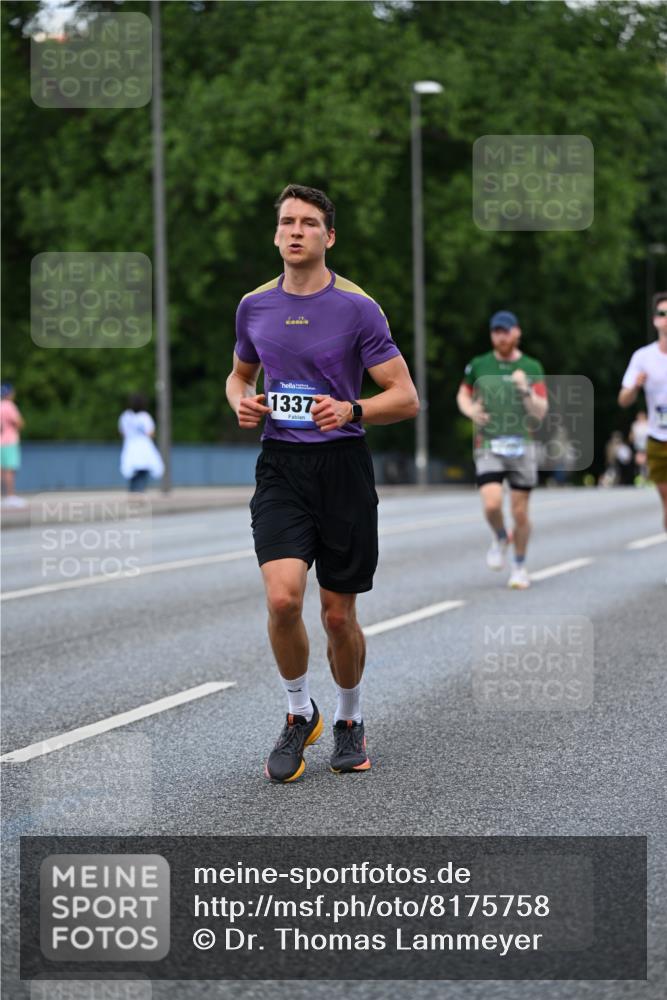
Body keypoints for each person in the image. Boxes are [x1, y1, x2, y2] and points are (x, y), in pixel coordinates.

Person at [226, 184, 419, 783]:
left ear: (328, 236)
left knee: (338, 615)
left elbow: (406, 398)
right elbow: (239, 376)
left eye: (309, 223)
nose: (295, 231)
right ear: (276, 233)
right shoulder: (254, 306)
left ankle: (348, 718)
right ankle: (296, 711)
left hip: (342, 469)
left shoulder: (358, 308)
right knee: (283, 597)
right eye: (287, 221)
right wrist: (242, 403)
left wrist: (353, 409)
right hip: (282, 465)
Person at [456, 311, 548, 589]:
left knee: (520, 512)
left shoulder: (531, 366)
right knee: (492, 503)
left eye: (506, 331)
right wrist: (471, 409)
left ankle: (519, 566)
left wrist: (525, 390)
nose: (501, 336)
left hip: (522, 445)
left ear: (517, 332)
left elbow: (541, 411)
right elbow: (462, 394)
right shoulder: (479, 364)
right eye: (496, 331)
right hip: (489, 445)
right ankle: (499, 536)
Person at [619, 291, 667, 533]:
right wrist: (636, 385)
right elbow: (623, 399)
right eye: (662, 313)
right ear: (655, 320)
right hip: (657, 437)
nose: (666, 318)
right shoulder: (643, 357)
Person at [118, 393, 164, 492]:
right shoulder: (145, 417)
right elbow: (150, 433)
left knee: (132, 472)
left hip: (130, 446)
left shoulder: (126, 416)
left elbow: (122, 432)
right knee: (143, 470)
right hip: (144, 447)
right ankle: (139, 493)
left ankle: (134, 492)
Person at [0, 383, 26, 508]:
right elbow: (19, 422)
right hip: (9, 441)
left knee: (1, 470)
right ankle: (10, 496)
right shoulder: (9, 406)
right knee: (9, 470)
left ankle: (3, 496)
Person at [629, 411, 650, 484]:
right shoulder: (635, 425)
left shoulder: (648, 423)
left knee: (647, 463)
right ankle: (642, 478)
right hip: (638, 447)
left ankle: (648, 478)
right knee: (640, 462)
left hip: (648, 446)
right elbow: (631, 436)